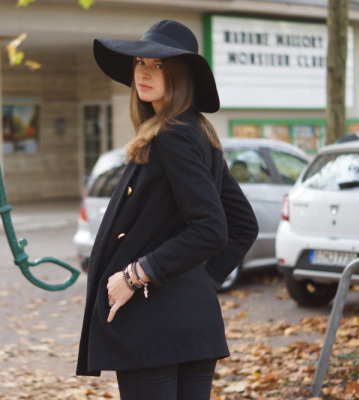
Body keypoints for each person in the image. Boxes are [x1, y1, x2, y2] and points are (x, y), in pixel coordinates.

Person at [76, 19, 259, 399]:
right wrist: (198, 283)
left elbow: (212, 228)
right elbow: (243, 224)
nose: (145, 72)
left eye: (159, 65)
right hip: (190, 322)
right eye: (141, 63)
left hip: (153, 327)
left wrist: (136, 275)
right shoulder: (196, 131)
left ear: (181, 75)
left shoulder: (172, 135)